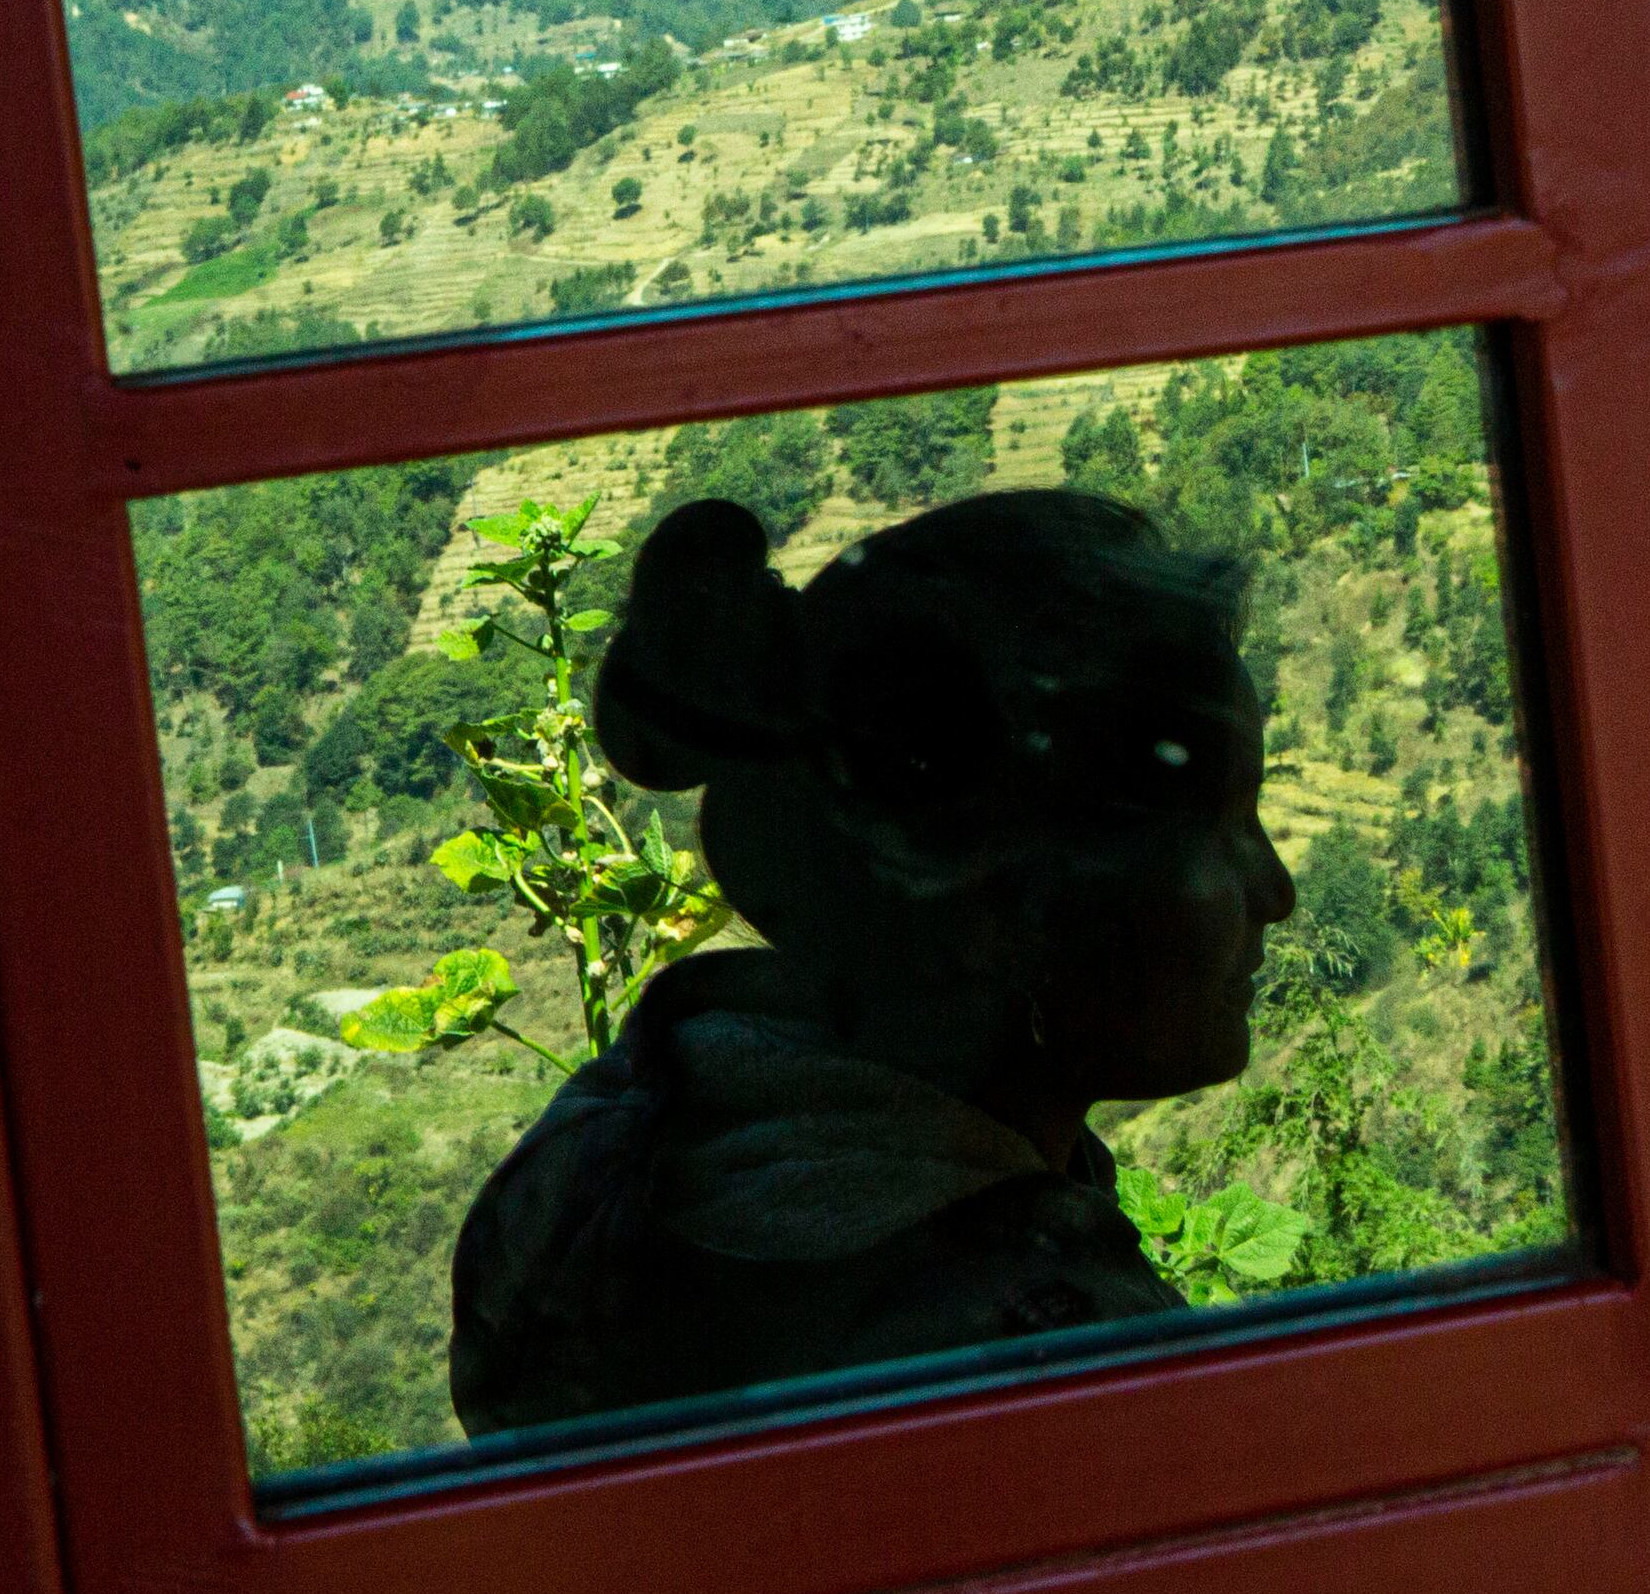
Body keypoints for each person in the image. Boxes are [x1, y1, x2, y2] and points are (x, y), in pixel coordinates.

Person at [448, 486, 1297, 1437]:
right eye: (1220, 827)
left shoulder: (603, 1165)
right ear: (1006, 901)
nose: (1276, 890)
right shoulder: (1060, 1374)